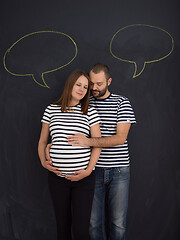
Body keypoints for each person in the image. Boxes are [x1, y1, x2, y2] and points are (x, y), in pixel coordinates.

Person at [66, 64, 136, 240]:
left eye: (99, 84)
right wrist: (49, 146)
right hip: (92, 171)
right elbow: (67, 127)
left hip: (119, 170)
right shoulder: (84, 102)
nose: (93, 88)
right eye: (91, 83)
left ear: (109, 81)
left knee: (118, 224)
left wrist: (88, 141)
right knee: (93, 223)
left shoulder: (122, 102)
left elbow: (120, 138)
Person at [38, 69, 101, 240]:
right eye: (78, 84)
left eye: (85, 87)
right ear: (70, 84)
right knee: (62, 229)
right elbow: (43, 141)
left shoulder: (90, 111)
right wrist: (44, 162)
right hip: (57, 179)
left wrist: (88, 171)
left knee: (81, 232)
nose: (81, 89)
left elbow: (98, 144)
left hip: (84, 180)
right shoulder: (51, 109)